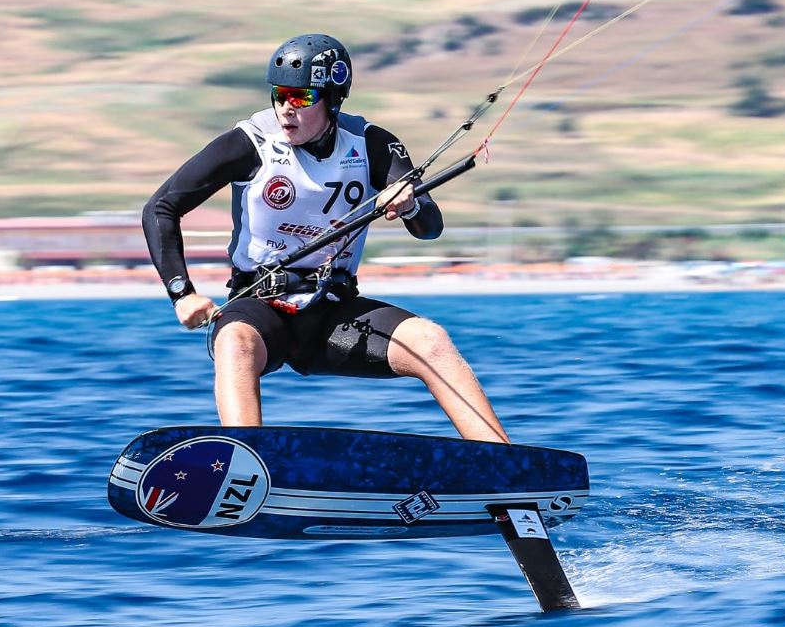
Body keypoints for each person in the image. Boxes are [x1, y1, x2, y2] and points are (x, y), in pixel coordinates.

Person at [142, 33, 510, 444]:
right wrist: (182, 293)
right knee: (234, 341)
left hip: (334, 312)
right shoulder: (249, 143)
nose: (286, 108)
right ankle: (245, 459)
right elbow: (160, 208)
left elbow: (430, 227)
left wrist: (409, 205)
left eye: (301, 97)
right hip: (260, 308)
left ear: (333, 99)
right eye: (279, 95)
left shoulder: (372, 145)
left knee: (431, 340)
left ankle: (502, 461)